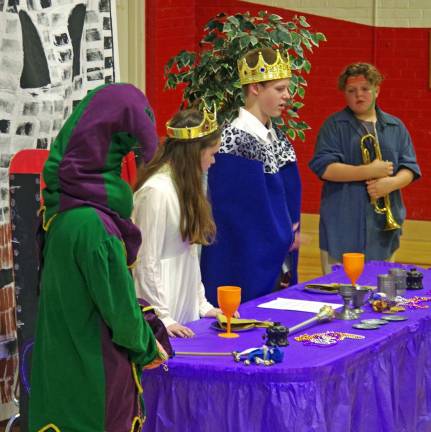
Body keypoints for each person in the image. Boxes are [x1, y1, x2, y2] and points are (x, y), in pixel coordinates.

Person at [29, 83, 167, 432]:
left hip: (59, 371)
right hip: (93, 378)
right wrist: (149, 349)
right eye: (123, 154)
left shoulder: (61, 212)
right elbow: (120, 313)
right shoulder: (95, 226)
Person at [200, 47, 302, 305]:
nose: (287, 96)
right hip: (244, 267)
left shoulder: (277, 138)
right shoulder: (234, 140)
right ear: (255, 88)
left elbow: (288, 199)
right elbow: (240, 217)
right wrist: (284, 236)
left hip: (277, 261)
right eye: (279, 89)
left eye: (287, 89)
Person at [309, 63, 421, 274]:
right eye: (351, 91)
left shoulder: (396, 127)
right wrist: (369, 171)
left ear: (377, 90)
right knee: (338, 291)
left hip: (382, 228)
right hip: (341, 224)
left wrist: (391, 183)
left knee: (379, 291)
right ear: (344, 93)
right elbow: (324, 168)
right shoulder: (333, 125)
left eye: (365, 89)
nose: (358, 95)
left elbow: (410, 168)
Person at [133, 107, 223, 338]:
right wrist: (161, 317)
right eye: (211, 153)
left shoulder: (185, 186)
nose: (213, 161)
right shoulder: (156, 191)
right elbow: (145, 260)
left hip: (182, 307)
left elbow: (189, 255)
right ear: (194, 152)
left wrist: (202, 304)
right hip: (161, 308)